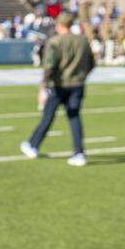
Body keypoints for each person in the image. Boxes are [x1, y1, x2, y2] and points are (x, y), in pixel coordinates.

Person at [21, 12, 95, 167]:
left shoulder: (55, 41)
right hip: (77, 85)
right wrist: (81, 76)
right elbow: (91, 63)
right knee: (74, 118)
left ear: (59, 25)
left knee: (48, 116)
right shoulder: (82, 41)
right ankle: (79, 152)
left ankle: (33, 145)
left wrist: (43, 87)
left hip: (58, 86)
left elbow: (49, 66)